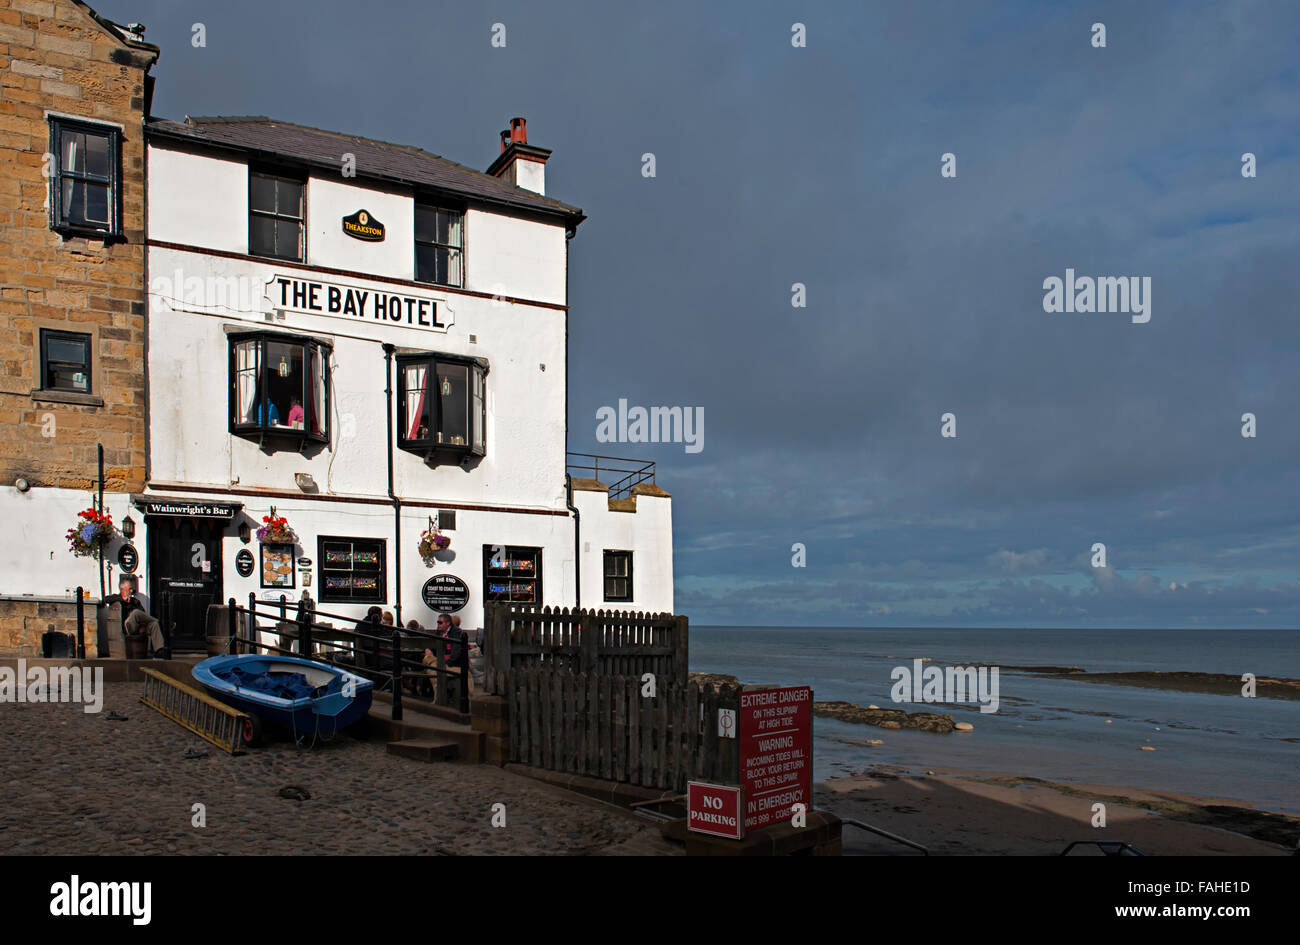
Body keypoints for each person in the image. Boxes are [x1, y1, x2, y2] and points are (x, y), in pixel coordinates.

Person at [105, 575, 167, 658]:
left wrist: (143, 626)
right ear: (122, 589)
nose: (132, 591)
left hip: (138, 627)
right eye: (129, 589)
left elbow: (143, 614)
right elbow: (106, 599)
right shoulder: (117, 598)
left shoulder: (135, 601)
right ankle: (158, 621)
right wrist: (122, 599)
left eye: (131, 589)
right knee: (136, 612)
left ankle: (159, 651)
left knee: (154, 624)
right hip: (127, 626)